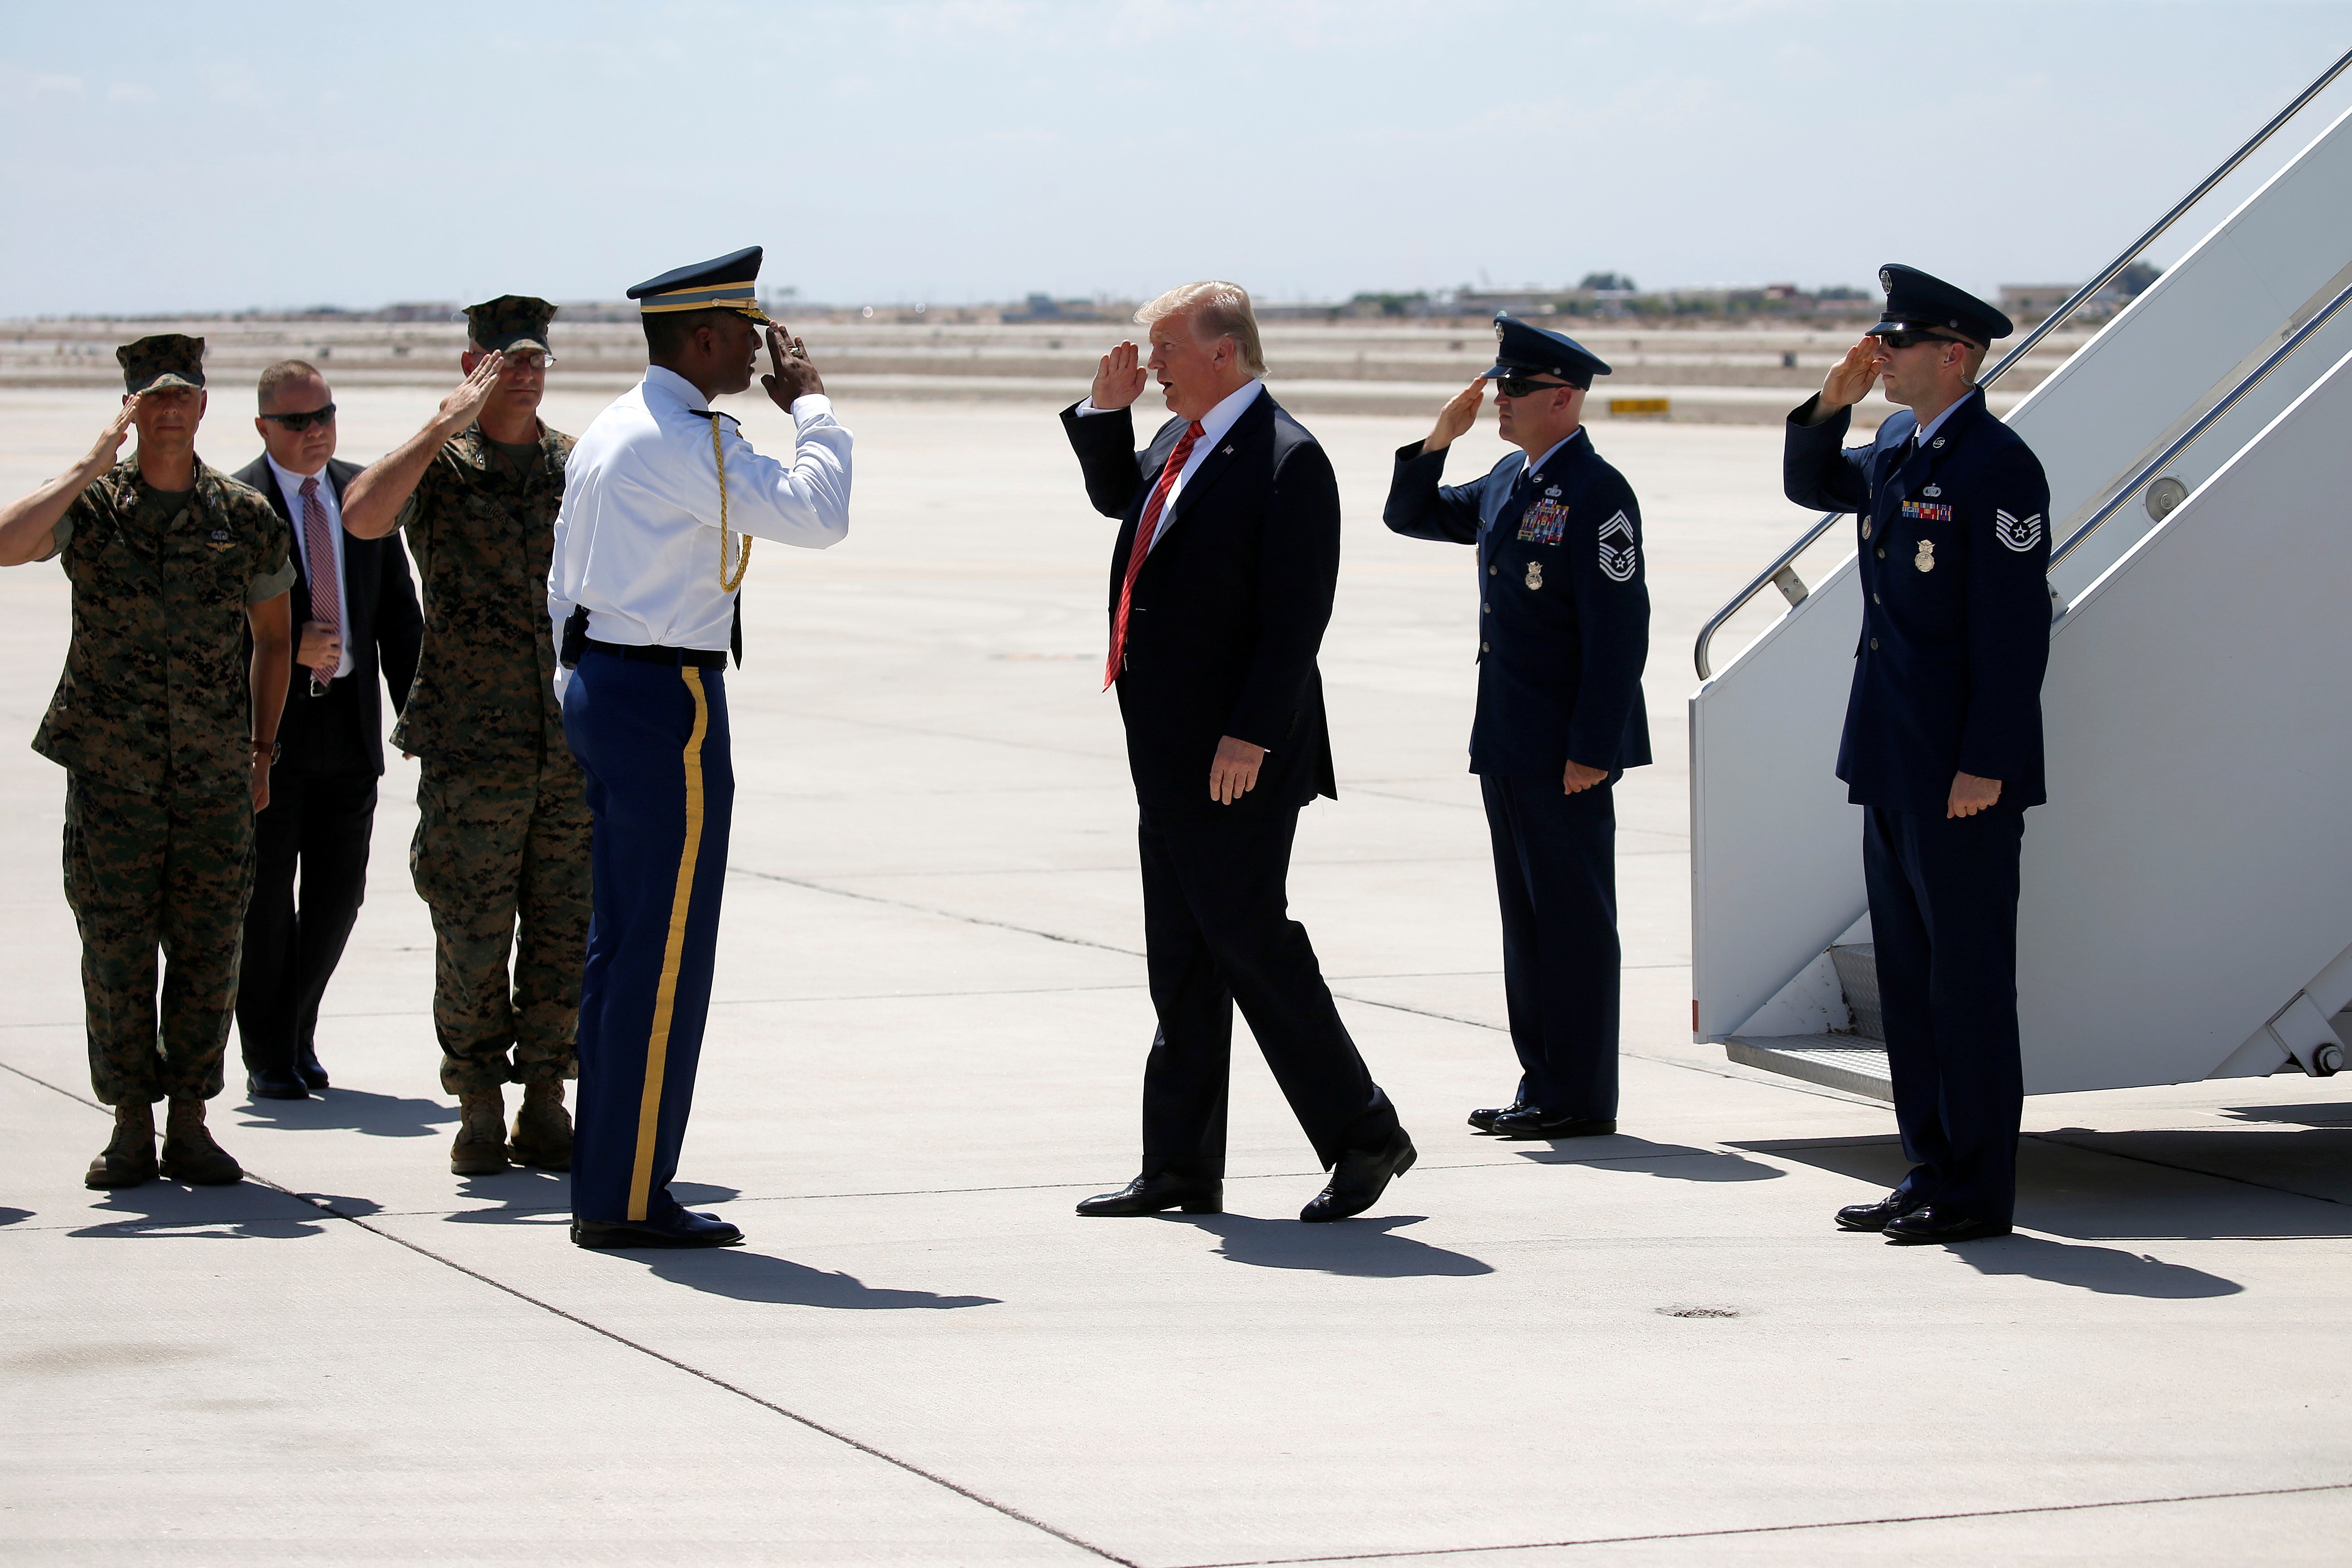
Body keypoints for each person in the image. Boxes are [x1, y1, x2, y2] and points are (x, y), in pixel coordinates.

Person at [1062, 280, 1413, 1224]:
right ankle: (1180, 1165)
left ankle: (1364, 1131)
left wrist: (1251, 733)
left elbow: (1297, 619)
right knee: (1183, 951)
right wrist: (1105, 414)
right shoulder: (1178, 442)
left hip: (1239, 753)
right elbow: (1117, 500)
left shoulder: (1287, 458)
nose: (1154, 367)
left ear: (1223, 352)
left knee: (1250, 937)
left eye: (1166, 350)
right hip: (1170, 748)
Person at [549, 247, 850, 1250]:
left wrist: (576, 681)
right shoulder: (681, 441)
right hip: (662, 699)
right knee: (663, 956)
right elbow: (819, 515)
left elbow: (562, 581)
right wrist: (813, 407)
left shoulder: (615, 424)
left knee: (624, 946)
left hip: (606, 680)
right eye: (749, 336)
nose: (762, 353)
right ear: (707, 337)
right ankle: (629, 1197)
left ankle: (611, 1180)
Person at [1784, 263, 2050, 1247]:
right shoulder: (1897, 441)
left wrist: (1988, 761)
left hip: (1961, 774)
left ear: (1957, 355)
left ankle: (1977, 1191)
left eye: (1897, 345)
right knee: (1908, 982)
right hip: (1892, 755)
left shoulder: (2000, 465)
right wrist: (1831, 405)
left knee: (1967, 986)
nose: (1881, 356)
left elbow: (2015, 633)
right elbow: (1813, 483)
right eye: (1879, 342)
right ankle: (1928, 1169)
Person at [0, 334, 294, 1188]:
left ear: (203, 404)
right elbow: (8, 544)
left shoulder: (243, 515)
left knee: (209, 952)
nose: (169, 409)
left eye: (181, 394)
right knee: (115, 951)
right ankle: (130, 1122)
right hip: (112, 777)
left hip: (213, 776)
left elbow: (274, 639)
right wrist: (91, 464)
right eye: (152, 397)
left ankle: (190, 1121)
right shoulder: (93, 508)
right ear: (131, 409)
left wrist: (262, 752)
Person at [1383, 314, 1651, 1141]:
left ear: (1563, 399)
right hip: (1508, 735)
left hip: (1566, 747)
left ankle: (1580, 1093)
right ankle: (1543, 1082)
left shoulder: (1598, 492)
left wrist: (1593, 749)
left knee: (1572, 921)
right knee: (1528, 922)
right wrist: (1440, 439)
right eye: (1499, 388)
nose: (1500, 401)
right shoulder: (1509, 476)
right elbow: (1411, 515)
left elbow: (1620, 633)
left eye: (1516, 389)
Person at [342, 297, 589, 1177]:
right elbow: (362, 515)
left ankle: (546, 1098)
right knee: (472, 930)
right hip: (470, 746)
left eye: (535, 361)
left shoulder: (575, 464)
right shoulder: (441, 467)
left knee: (564, 927)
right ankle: (479, 1101)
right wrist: (442, 424)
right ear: (472, 365)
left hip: (568, 744)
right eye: (506, 360)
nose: (524, 375)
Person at [231, 361, 423, 1100]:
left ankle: (297, 1028)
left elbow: (399, 616)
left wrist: (420, 718)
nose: (315, 432)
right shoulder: (238, 503)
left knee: (339, 897)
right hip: (270, 729)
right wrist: (280, 648)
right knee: (266, 901)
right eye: (296, 422)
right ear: (262, 427)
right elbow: (210, 627)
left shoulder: (362, 495)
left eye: (325, 416)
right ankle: (269, 1053)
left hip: (348, 725)